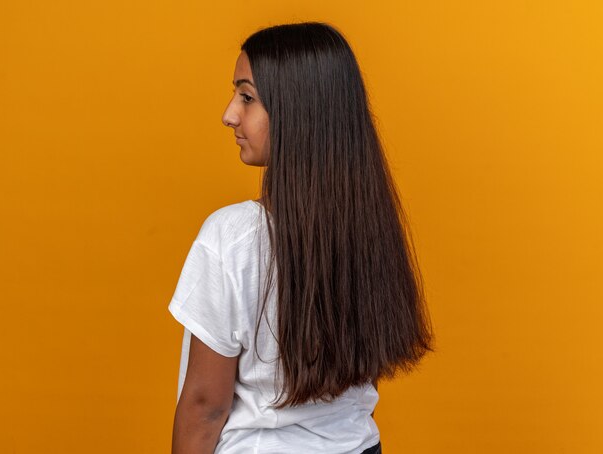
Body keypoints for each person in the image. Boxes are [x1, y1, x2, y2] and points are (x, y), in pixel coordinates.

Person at [168, 21, 435, 454]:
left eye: (247, 97)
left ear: (299, 112)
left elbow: (205, 408)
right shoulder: (369, 228)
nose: (229, 114)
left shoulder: (232, 238)